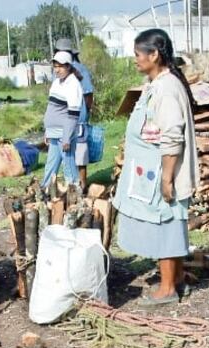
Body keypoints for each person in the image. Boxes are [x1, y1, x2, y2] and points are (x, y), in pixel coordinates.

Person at [112, 28, 200, 307]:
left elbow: (172, 135)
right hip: (150, 173)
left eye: (138, 55)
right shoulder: (156, 84)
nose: (135, 60)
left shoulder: (167, 88)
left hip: (162, 174)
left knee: (166, 225)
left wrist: (167, 178)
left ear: (154, 55)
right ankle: (175, 278)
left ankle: (166, 288)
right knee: (167, 224)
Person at [55, 38, 95, 189]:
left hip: (68, 117)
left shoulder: (76, 69)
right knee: (79, 152)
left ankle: (77, 186)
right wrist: (86, 113)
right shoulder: (79, 68)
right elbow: (89, 95)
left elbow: (87, 95)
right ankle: (80, 185)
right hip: (77, 118)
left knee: (70, 152)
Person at [41, 51, 83, 191]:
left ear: (68, 67)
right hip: (53, 133)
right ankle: (44, 193)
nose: (57, 69)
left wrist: (67, 138)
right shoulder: (56, 83)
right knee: (50, 166)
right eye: (55, 66)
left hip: (64, 135)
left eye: (60, 66)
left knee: (69, 168)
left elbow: (73, 114)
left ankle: (76, 198)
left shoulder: (73, 85)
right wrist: (47, 131)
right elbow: (51, 109)